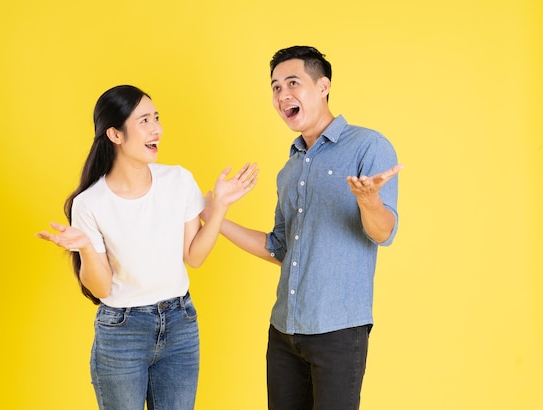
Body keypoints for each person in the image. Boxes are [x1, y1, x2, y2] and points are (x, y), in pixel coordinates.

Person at [36, 84, 258, 410]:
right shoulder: (90, 203)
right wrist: (84, 247)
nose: (157, 129)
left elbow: (194, 257)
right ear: (115, 135)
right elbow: (99, 287)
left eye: (156, 118)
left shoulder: (178, 180)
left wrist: (220, 205)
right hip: (123, 332)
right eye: (144, 121)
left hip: (180, 323)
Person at [205, 46, 403, 409]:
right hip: (284, 331)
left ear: (323, 86)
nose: (282, 95)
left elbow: (383, 233)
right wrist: (213, 215)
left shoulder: (368, 146)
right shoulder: (290, 168)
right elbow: (279, 248)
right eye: (276, 87)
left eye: (292, 83)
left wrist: (370, 201)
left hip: (338, 330)